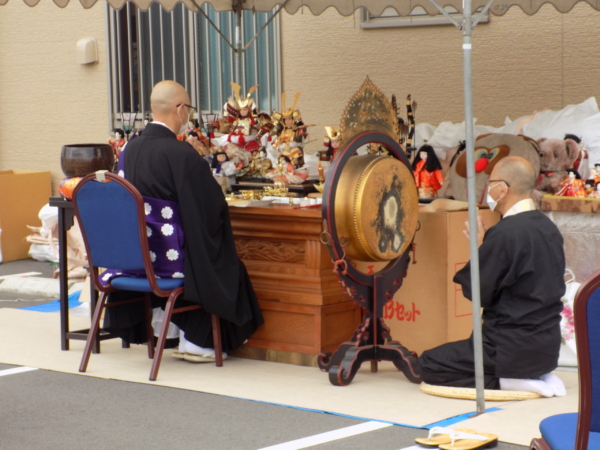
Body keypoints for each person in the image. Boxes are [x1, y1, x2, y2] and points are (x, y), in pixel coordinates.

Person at [104, 80, 264, 362]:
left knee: (187, 246)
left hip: (136, 259)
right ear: (179, 110)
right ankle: (198, 340)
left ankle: (170, 328)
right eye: (188, 108)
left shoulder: (129, 150)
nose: (188, 114)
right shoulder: (180, 154)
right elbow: (209, 208)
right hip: (169, 260)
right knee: (223, 264)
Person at [418, 156, 567, 397]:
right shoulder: (548, 227)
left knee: (428, 363)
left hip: (508, 347)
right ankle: (537, 375)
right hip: (546, 347)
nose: (487, 187)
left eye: (491, 182)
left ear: (503, 188)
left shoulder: (506, 233)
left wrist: (480, 248)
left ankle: (510, 381)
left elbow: (478, 292)